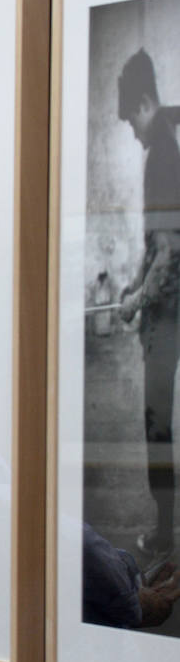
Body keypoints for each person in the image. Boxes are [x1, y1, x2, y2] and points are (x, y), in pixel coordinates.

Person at [116, 49, 180, 565]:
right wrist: (131, 285)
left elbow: (171, 251)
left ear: (144, 103)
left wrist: (139, 297)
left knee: (156, 423)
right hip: (163, 306)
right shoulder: (163, 146)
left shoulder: (162, 154)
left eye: (130, 120)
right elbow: (156, 245)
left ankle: (163, 535)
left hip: (169, 313)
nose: (131, 132)